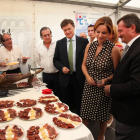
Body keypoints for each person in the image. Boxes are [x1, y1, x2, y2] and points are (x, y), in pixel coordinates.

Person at [80, 16, 121, 140]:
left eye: (104, 33)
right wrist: (87, 77)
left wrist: (106, 80)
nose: (100, 35)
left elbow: (118, 73)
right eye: (98, 32)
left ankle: (101, 136)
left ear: (110, 33)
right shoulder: (89, 46)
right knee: (85, 115)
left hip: (103, 88)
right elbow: (83, 65)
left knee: (102, 116)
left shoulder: (114, 50)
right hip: (89, 85)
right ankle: (85, 136)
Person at [104, 13, 140, 140]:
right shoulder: (131, 47)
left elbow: (136, 86)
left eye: (120, 31)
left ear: (133, 28)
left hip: (130, 115)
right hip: (124, 112)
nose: (118, 35)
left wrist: (112, 89)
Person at [53, 19, 88, 115]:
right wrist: (61, 67)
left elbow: (87, 60)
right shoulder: (59, 43)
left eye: (69, 29)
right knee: (66, 105)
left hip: (79, 78)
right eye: (65, 30)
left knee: (79, 105)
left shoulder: (84, 42)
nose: (67, 32)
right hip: (65, 79)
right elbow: (55, 60)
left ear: (73, 27)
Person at [35, 27, 59, 96]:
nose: (47, 37)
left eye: (49, 34)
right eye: (45, 35)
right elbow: (38, 60)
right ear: (41, 36)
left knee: (58, 95)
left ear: (51, 34)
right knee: (47, 95)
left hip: (57, 75)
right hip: (46, 75)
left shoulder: (57, 44)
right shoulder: (38, 47)